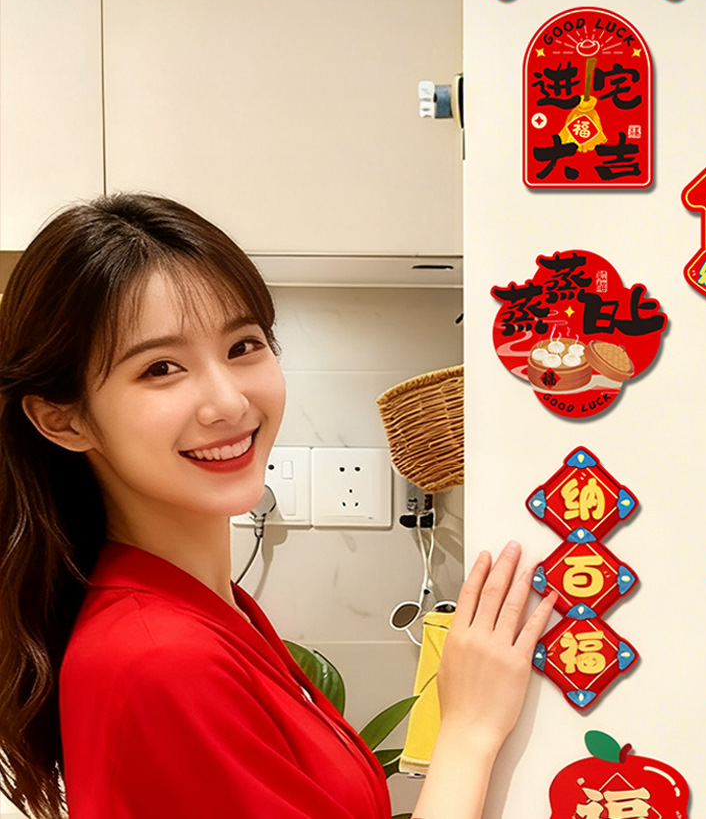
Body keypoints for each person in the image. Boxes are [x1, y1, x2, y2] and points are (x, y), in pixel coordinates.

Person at [0, 194, 551, 819]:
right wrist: (468, 733)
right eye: (161, 368)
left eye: (243, 346)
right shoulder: (159, 657)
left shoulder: (205, 609)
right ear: (65, 420)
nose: (229, 403)